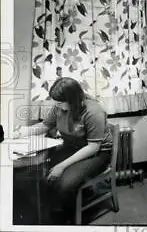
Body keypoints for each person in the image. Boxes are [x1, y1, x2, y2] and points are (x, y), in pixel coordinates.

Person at [13, 77, 113, 224]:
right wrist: (20, 133)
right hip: (73, 148)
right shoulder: (60, 107)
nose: (57, 106)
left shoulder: (94, 111)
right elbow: (46, 125)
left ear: (72, 100)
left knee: (64, 184)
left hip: (98, 154)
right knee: (41, 171)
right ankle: (55, 209)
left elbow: (93, 147)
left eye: (60, 102)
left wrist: (62, 166)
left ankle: (68, 218)